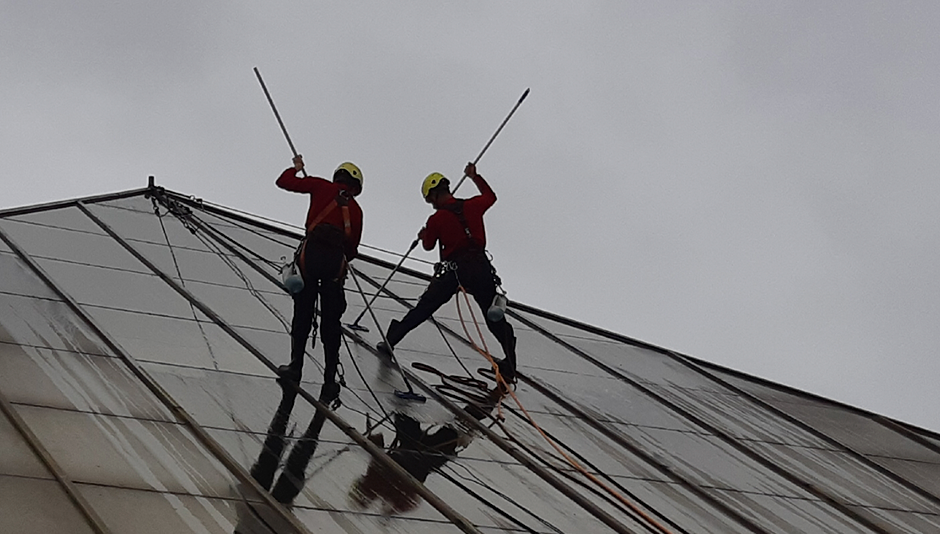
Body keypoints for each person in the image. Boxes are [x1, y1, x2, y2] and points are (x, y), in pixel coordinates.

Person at [377, 162, 517, 382]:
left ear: (433, 195)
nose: (432, 205)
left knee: (425, 307)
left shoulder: (437, 219)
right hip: (480, 267)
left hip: (456, 269)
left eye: (430, 200)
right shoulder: (472, 206)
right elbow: (491, 197)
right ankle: (510, 362)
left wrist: (424, 235)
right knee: (493, 317)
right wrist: (475, 177)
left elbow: (429, 246)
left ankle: (392, 339)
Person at [275, 155, 363, 403]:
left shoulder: (321, 186)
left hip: (310, 257)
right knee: (331, 323)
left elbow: (283, 181)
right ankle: (329, 380)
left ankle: (295, 367)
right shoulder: (356, 210)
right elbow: (352, 249)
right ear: (355, 186)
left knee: (302, 313)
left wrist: (297, 168)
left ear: (338, 177)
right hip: (334, 263)